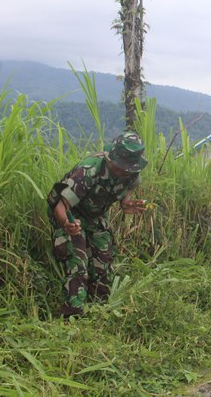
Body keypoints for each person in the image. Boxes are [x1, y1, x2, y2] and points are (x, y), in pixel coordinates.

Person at [47, 131, 149, 317]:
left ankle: (98, 311)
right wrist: (67, 224)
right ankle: (71, 316)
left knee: (103, 261)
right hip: (70, 214)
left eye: (129, 169)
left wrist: (126, 203)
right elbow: (61, 205)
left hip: (95, 216)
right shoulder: (87, 171)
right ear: (112, 158)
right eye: (121, 168)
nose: (125, 172)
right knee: (78, 263)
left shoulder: (131, 172)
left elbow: (129, 188)